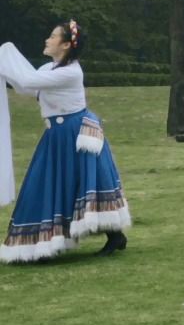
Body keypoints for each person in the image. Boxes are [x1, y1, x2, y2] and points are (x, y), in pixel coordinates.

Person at [0, 22, 131, 261]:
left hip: (74, 133)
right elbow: (25, 86)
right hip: (57, 134)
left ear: (66, 45)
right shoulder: (50, 68)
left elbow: (28, 81)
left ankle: (113, 234)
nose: (47, 40)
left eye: (52, 37)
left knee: (80, 182)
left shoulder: (70, 72)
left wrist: (7, 55)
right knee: (59, 183)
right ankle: (50, 241)